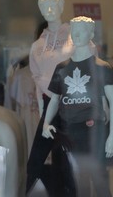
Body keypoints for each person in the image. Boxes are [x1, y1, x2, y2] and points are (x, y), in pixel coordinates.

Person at [42, 16, 113, 197]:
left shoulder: (102, 68)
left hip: (94, 132)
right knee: (76, 180)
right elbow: (55, 100)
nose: (77, 34)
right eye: (74, 30)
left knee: (99, 179)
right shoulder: (61, 68)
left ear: (91, 33)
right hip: (69, 132)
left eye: (82, 29)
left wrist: (112, 136)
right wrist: (45, 123)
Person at [27, 0, 77, 196]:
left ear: (61, 7)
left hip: (72, 104)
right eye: (44, 6)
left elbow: (89, 65)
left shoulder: (76, 36)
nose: (49, 10)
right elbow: (37, 78)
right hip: (49, 105)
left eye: (53, 5)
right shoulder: (38, 45)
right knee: (36, 162)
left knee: (68, 159)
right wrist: (41, 106)